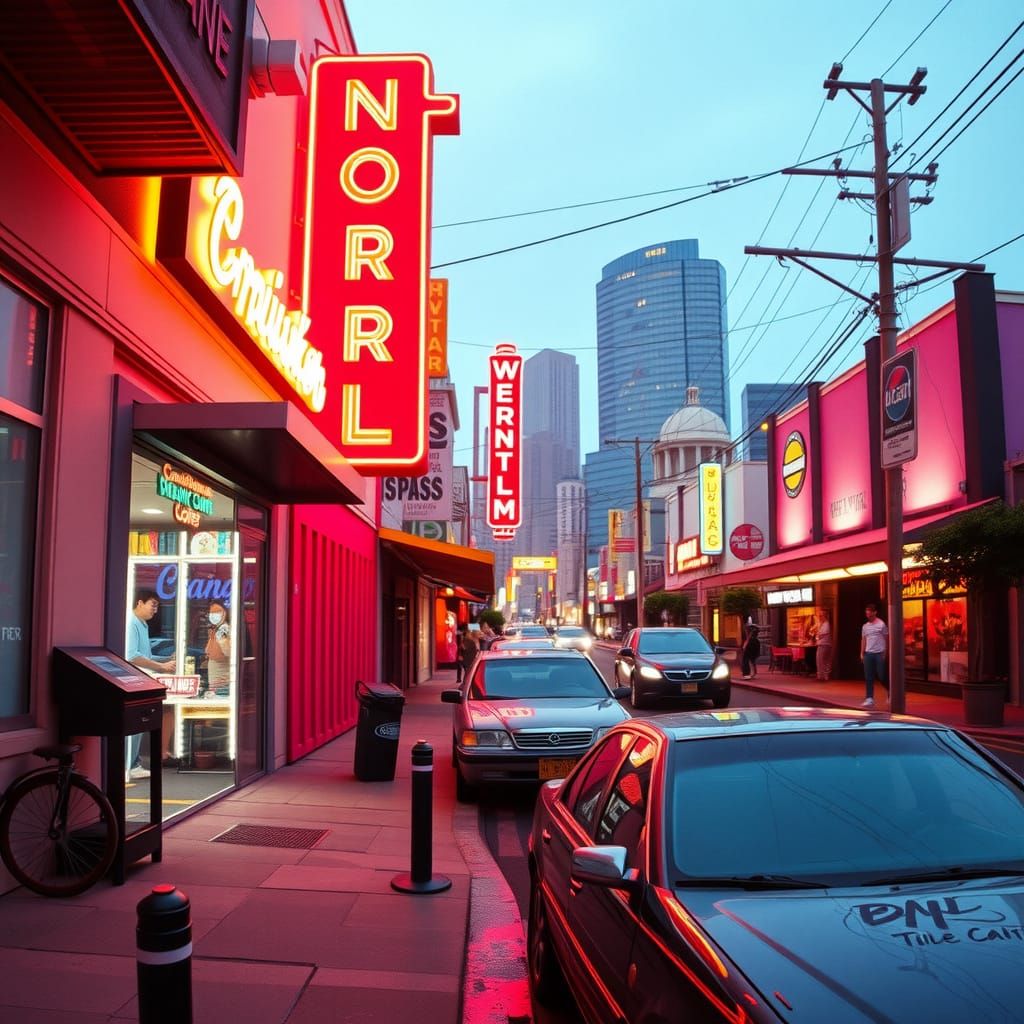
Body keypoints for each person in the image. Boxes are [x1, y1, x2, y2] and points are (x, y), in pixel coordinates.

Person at [125, 587, 175, 782]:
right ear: (140, 603)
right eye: (153, 605)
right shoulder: (131, 623)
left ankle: (134, 763)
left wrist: (164, 660)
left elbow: (144, 655)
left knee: (139, 725)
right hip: (133, 681)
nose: (155, 610)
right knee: (135, 725)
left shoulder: (142, 624)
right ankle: (130, 765)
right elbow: (132, 656)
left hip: (141, 681)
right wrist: (161, 667)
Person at [860, 603, 888, 707]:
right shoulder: (865, 626)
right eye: (866, 612)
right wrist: (862, 653)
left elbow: (886, 638)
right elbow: (863, 640)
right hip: (868, 654)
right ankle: (869, 698)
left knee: (881, 675)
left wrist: (885, 652)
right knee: (868, 677)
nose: (868, 614)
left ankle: (891, 692)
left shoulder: (881, 624)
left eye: (870, 612)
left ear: (875, 612)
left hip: (879, 654)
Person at [815, 610, 833, 681]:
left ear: (825, 616)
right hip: (825, 644)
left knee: (820, 660)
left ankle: (821, 676)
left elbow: (822, 634)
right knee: (824, 660)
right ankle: (825, 676)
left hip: (823, 644)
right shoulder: (823, 624)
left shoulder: (826, 624)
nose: (819, 617)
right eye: (819, 616)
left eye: (821, 616)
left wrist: (818, 635)